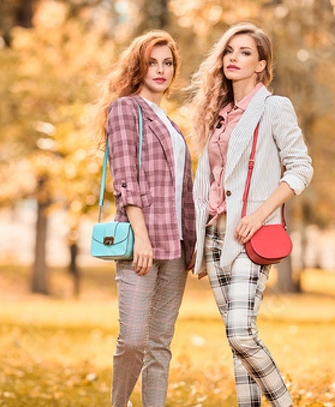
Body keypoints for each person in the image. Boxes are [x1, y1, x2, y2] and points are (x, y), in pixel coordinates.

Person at [188, 22, 313, 407]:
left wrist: (260, 214)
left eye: (245, 53)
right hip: (214, 237)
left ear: (262, 65)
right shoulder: (219, 115)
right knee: (235, 339)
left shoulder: (274, 107)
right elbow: (207, 180)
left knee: (242, 333)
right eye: (229, 51)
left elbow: (301, 168)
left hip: (251, 236)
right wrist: (196, 240)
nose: (234, 59)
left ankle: (284, 403)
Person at [94, 30, 196, 407]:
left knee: (159, 344)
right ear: (138, 65)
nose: (161, 70)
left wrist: (193, 246)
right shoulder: (125, 109)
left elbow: (185, 193)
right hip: (142, 242)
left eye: (168, 63)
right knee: (133, 339)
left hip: (176, 245)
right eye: (152, 62)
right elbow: (125, 178)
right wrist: (141, 236)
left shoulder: (172, 125)